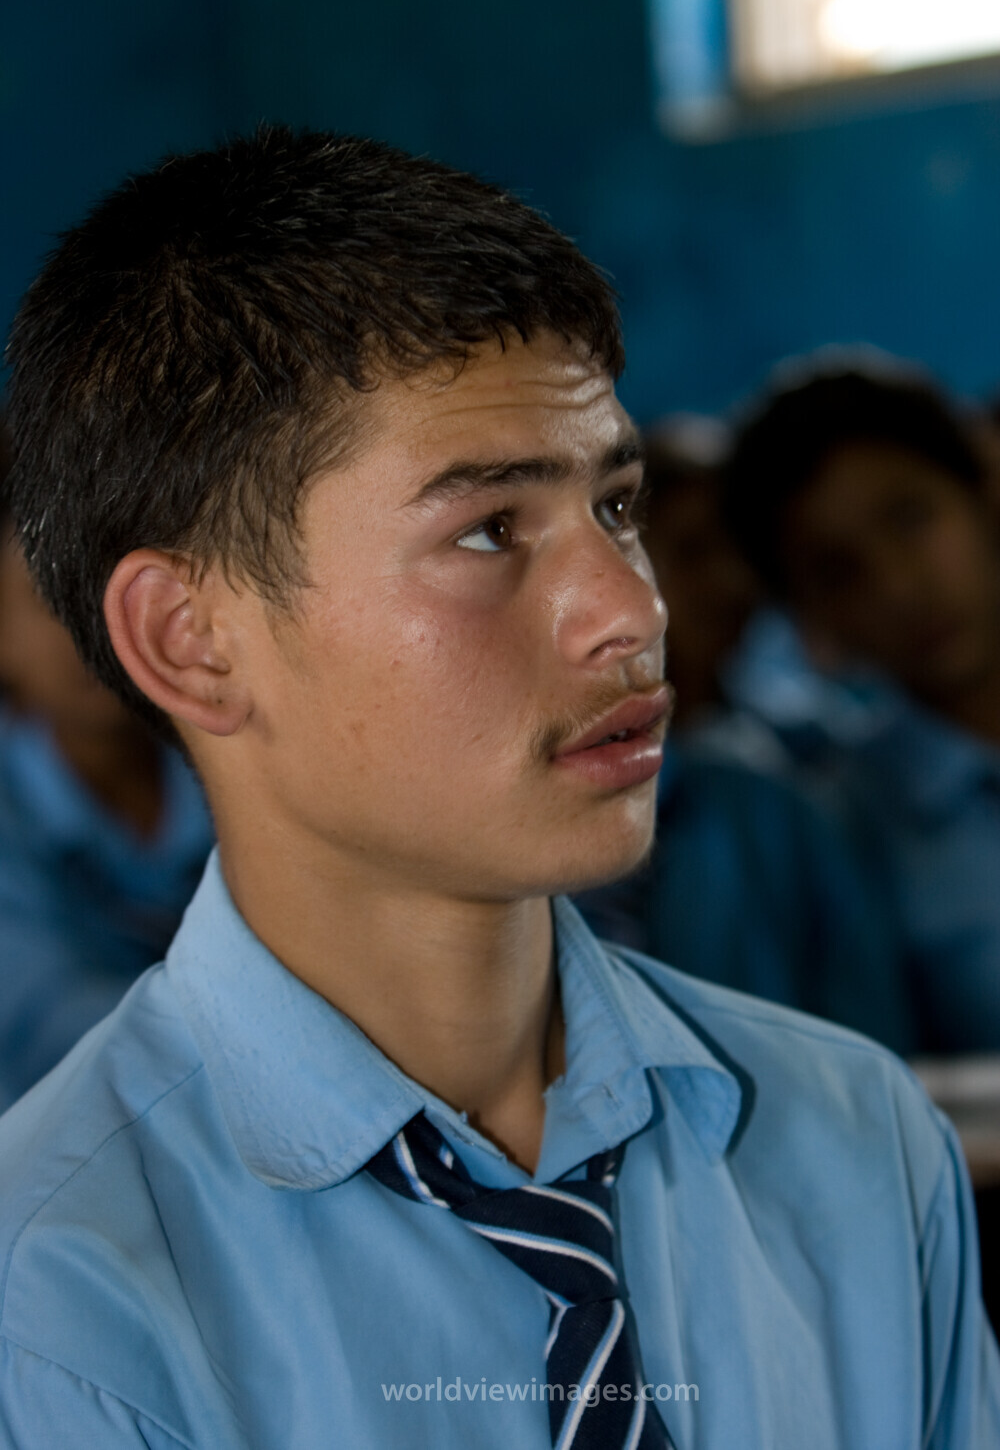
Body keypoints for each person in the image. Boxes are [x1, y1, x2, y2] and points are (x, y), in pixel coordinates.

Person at [0, 128, 996, 1448]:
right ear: (195, 639)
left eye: (618, 508)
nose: (627, 611)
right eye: (487, 530)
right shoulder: (58, 1299)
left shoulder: (852, 1143)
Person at [576, 416, 913, 1053]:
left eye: (747, 556)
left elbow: (863, 1031)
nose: (731, 583)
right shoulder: (566, 766)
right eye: (694, 550)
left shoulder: (801, 780)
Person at [724, 360, 1000, 1056]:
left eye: (910, 517)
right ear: (810, 620)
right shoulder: (843, 829)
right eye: (839, 570)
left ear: (983, 493)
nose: (900, 586)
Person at [0, 424, 213, 1110]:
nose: (87, 632)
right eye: (43, 603)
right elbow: (45, 1018)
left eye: (101, 594)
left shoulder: (220, 748)